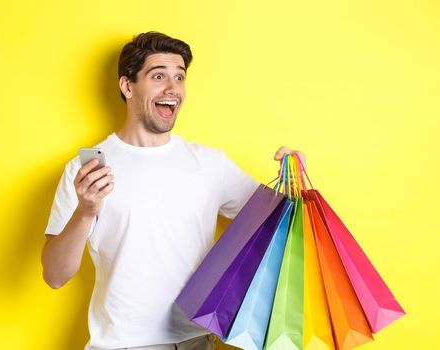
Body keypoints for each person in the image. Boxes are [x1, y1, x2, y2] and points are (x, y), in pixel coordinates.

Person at [41, 31, 305, 350]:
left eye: (179, 77)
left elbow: (281, 225)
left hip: (197, 341)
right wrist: (86, 211)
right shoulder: (85, 172)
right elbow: (55, 275)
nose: (173, 88)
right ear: (127, 86)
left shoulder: (210, 164)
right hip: (123, 345)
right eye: (158, 76)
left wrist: (294, 179)